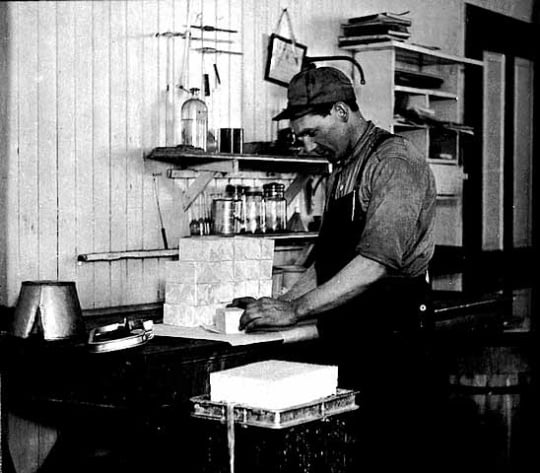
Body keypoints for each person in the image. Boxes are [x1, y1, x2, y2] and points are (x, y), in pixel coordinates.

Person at [233, 66, 442, 470]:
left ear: (342, 112)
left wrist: (295, 311)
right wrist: (278, 302)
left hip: (392, 335)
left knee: (389, 451)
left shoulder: (394, 162)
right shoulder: (343, 168)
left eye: (314, 132)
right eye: (301, 137)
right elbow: (328, 259)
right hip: (350, 331)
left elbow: (372, 264)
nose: (309, 146)